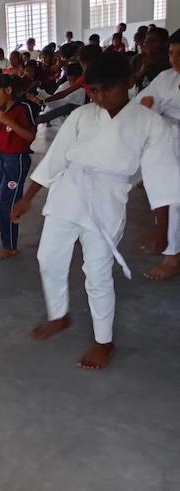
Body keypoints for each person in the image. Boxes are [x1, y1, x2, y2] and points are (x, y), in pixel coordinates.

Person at [11, 53, 180, 370]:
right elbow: (55, 158)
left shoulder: (150, 124)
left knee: (98, 273)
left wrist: (162, 229)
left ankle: (104, 341)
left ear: (128, 82)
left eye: (108, 89)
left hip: (107, 200)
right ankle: (59, 315)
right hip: (68, 191)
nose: (100, 97)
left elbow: (160, 176)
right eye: (95, 90)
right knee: (48, 258)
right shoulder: (81, 115)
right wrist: (28, 197)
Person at [136, 28, 180, 280]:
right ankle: (172, 256)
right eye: (172, 54)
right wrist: (147, 108)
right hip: (170, 141)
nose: (175, 60)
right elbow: (145, 102)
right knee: (171, 197)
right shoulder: (166, 78)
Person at [0, 75, 36, 260]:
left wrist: (8, 121)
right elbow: (3, 138)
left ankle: (10, 246)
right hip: (1, 158)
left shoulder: (22, 108)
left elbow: (29, 137)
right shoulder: (1, 111)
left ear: (8, 90)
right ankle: (3, 227)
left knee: (7, 204)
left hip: (17, 160)